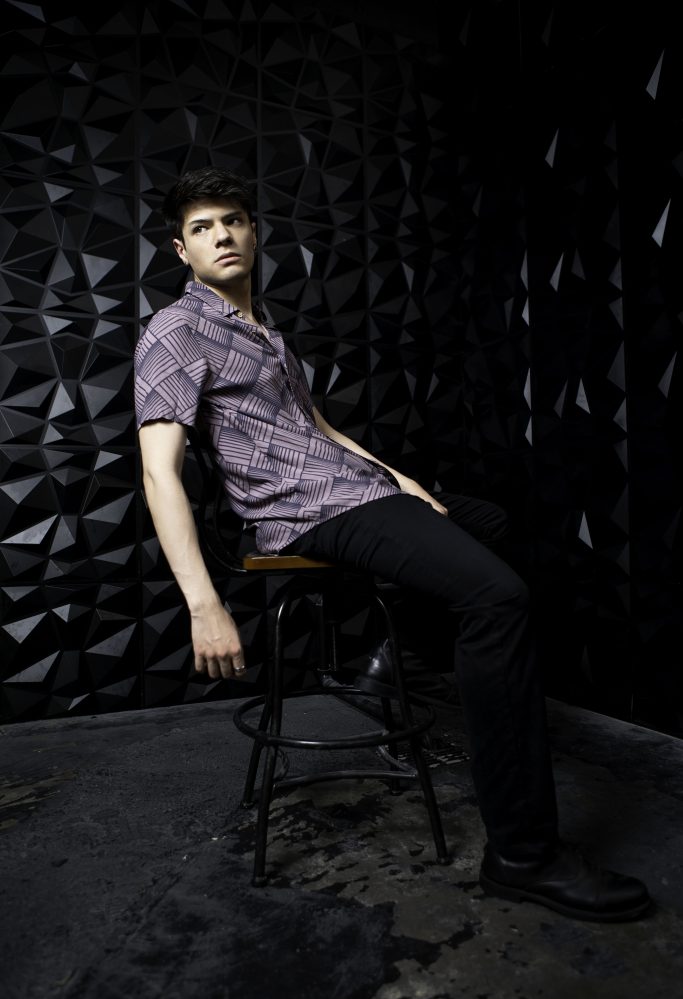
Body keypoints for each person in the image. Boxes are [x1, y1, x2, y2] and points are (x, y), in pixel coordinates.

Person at [134, 165, 653, 923]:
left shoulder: (263, 331)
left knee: (489, 522)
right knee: (496, 598)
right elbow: (159, 472)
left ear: (254, 232)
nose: (222, 235)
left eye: (233, 220)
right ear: (182, 250)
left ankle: (389, 664)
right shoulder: (175, 332)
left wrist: (399, 479)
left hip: (354, 488)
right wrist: (203, 605)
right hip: (304, 511)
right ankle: (524, 855)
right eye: (202, 227)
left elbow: (317, 429)